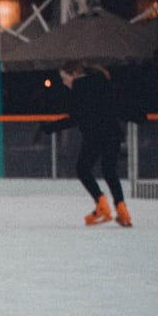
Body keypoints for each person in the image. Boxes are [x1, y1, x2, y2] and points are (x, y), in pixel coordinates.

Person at [43, 59, 133, 227]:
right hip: (113, 133)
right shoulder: (102, 82)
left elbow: (75, 118)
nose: (64, 83)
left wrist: (49, 128)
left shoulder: (80, 88)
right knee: (109, 171)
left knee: (82, 169)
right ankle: (122, 211)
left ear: (74, 74)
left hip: (95, 135)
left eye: (65, 78)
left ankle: (102, 206)